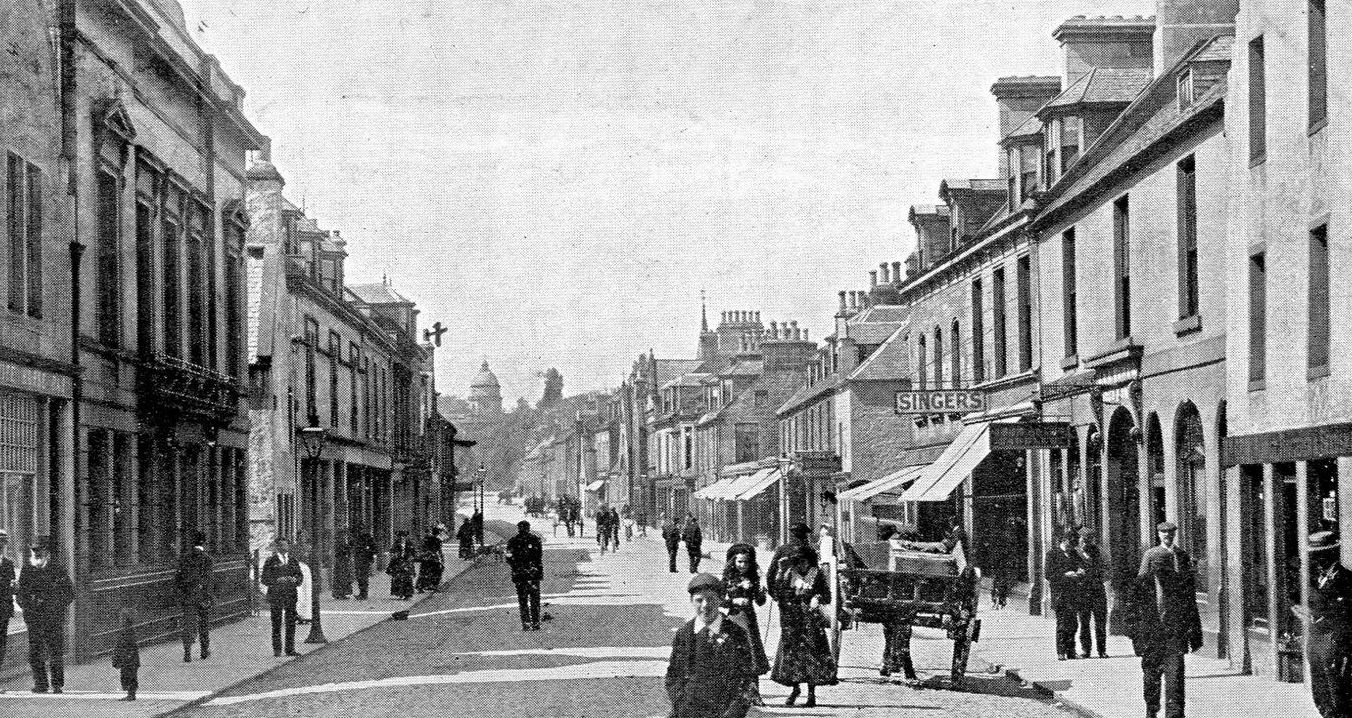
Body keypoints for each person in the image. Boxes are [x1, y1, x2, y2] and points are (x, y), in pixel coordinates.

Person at [1128, 521, 1202, 718]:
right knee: (1151, 677)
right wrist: (1136, 636)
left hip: (1175, 631)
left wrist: (1194, 633)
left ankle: (1175, 715)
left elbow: (1190, 600)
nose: (1167, 536)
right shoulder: (1148, 567)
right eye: (1163, 533)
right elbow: (1135, 606)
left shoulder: (1182, 557)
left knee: (1176, 677)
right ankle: (1151, 710)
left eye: (1170, 533)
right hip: (1152, 634)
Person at [665, 573, 757, 718]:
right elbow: (673, 676)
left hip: (725, 712)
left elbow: (747, 680)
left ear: (720, 600)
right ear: (691, 601)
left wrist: (733, 713)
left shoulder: (736, 634)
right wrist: (681, 705)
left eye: (711, 599)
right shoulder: (684, 634)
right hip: (688, 712)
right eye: (699, 600)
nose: (705, 606)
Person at [767, 524, 837, 707]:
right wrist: (781, 591)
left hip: (811, 621)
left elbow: (827, 594)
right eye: (799, 562)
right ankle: (795, 688)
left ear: (811, 561)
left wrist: (817, 597)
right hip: (793, 618)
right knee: (793, 653)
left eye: (806, 562)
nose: (803, 565)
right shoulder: (790, 573)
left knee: (812, 654)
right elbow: (778, 588)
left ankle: (811, 694)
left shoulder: (816, 574)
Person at [1299, 530, 1351, 718]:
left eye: (1318, 555)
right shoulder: (1314, 580)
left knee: (1339, 697)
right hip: (1316, 644)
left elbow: (1346, 615)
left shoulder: (1346, 580)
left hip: (1334, 645)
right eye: (1313, 555)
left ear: (1330, 554)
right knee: (1320, 695)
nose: (1315, 560)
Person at [16, 536, 74, 693]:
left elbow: (69, 593)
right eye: (33, 551)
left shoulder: (57, 569)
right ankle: (40, 684)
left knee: (55, 652)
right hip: (34, 618)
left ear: (47, 552)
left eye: (39, 551)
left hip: (53, 619)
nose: (36, 554)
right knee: (35, 653)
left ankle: (57, 684)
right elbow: (20, 594)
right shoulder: (27, 570)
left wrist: (56, 606)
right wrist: (27, 606)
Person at [722, 543, 770, 704]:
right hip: (733, 620)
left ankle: (755, 694)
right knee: (733, 656)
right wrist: (734, 600)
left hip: (749, 620)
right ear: (733, 562)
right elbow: (719, 602)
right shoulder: (727, 578)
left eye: (746, 562)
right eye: (739, 562)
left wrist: (762, 591)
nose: (743, 565)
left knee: (751, 655)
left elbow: (760, 601)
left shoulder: (753, 578)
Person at [879, 524, 919, 679]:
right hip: (904, 594)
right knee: (902, 631)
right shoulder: (902, 545)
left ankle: (888, 662)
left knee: (889, 631)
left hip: (887, 595)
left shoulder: (880, 549)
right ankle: (905, 667)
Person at [174, 530, 214, 662]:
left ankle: (187, 652)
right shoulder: (207, 558)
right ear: (204, 542)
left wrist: (182, 593)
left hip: (188, 596)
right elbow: (208, 580)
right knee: (204, 624)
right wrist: (208, 596)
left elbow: (178, 579)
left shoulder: (184, 558)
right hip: (202, 596)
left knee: (188, 625)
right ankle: (204, 651)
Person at [1045, 527, 1084, 661]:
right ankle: (1061, 652)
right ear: (1065, 540)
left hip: (1074, 594)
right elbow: (1048, 574)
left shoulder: (1074, 554)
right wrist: (1065, 575)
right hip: (1060, 594)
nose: (1072, 547)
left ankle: (1071, 651)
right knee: (1062, 623)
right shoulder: (1052, 554)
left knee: (1073, 623)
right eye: (1071, 544)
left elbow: (1083, 566)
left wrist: (1080, 572)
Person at [261, 537, 304, 657]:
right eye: (282, 546)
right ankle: (277, 649)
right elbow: (264, 578)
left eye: (286, 545)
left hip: (290, 594)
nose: (285, 548)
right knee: (276, 622)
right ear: (278, 547)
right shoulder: (271, 561)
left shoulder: (293, 560)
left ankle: (290, 649)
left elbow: (299, 575)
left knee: (291, 622)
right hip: (276, 595)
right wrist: (276, 580)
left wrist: (295, 579)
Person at [1076, 526, 1110, 658]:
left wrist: (1100, 577)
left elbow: (1108, 569)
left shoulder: (1100, 552)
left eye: (1089, 540)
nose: (1085, 543)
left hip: (1097, 590)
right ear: (1079, 539)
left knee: (1100, 621)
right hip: (1082, 590)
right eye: (1083, 540)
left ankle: (1102, 650)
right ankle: (1086, 649)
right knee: (1084, 621)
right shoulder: (1076, 553)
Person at [506, 520, 544, 631]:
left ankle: (526, 622)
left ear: (519, 529)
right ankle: (536, 622)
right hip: (533, 574)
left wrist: (515, 566)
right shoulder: (535, 540)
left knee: (523, 600)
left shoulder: (513, 541)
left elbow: (508, 557)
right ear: (528, 528)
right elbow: (539, 556)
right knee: (534, 599)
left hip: (520, 575)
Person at [112, 607, 140, 701]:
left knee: (129, 675)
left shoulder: (126, 630)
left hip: (128, 658)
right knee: (128, 675)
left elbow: (123, 644)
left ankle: (131, 694)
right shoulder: (128, 630)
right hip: (129, 657)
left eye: (122, 618)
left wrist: (119, 657)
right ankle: (131, 693)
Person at [0, 530, 16, 680]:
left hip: (3, 609)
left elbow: (12, 586)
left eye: (2, 543)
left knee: (1, 642)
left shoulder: (8, 563)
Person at [388, 531, 417, 600]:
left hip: (407, 563)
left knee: (408, 578)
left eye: (403, 536)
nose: (402, 538)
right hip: (398, 563)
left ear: (406, 537)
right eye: (400, 536)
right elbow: (392, 552)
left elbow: (414, 552)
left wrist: (411, 558)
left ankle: (408, 594)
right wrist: (394, 555)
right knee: (398, 578)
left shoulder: (409, 544)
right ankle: (400, 592)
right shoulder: (396, 544)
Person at [352, 527, 379, 600]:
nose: (360, 531)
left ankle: (364, 594)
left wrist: (367, 551)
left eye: (361, 529)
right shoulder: (357, 538)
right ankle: (361, 593)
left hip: (365, 560)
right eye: (359, 530)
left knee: (363, 577)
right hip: (358, 560)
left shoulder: (368, 538)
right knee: (359, 577)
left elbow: (375, 549)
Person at [417, 529, 444, 593]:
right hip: (433, 558)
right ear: (438, 534)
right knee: (436, 572)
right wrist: (442, 559)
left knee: (424, 572)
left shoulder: (427, 539)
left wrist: (422, 554)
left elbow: (422, 547)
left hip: (426, 557)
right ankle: (435, 586)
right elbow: (439, 550)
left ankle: (420, 587)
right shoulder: (438, 540)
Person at [332, 531, 354, 600]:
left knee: (343, 577)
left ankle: (342, 593)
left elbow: (347, 550)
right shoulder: (339, 543)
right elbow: (342, 551)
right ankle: (340, 593)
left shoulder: (341, 542)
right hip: (341, 562)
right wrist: (348, 549)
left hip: (343, 562)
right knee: (341, 578)